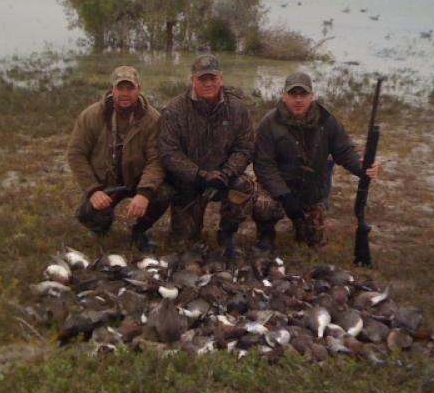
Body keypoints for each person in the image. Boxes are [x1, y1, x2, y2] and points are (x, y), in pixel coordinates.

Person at [252, 72, 379, 251]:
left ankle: (301, 224)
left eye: (303, 94)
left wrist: (362, 168)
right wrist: (284, 195)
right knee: (263, 205)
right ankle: (266, 236)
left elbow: (344, 151)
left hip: (310, 189)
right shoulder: (270, 122)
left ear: (312, 96)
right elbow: (263, 165)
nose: (298, 100)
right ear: (283, 96)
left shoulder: (327, 120)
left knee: (314, 241)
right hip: (280, 186)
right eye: (292, 94)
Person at [159, 54, 255, 259]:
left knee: (243, 185)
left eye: (213, 78)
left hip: (224, 178)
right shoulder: (175, 110)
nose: (209, 83)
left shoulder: (237, 108)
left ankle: (227, 234)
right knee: (182, 244)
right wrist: (199, 174)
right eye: (203, 79)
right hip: (189, 181)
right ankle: (188, 231)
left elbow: (245, 147)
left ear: (221, 79)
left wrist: (227, 172)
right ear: (193, 80)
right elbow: (168, 152)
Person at [67, 65, 170, 251]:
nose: (124, 93)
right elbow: (76, 154)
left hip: (138, 180)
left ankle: (140, 230)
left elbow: (157, 160)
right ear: (111, 90)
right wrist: (93, 190)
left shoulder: (153, 119)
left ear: (139, 90)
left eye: (130, 88)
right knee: (87, 213)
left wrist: (144, 193)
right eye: (119, 88)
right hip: (106, 182)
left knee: (165, 192)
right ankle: (101, 227)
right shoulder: (91, 116)